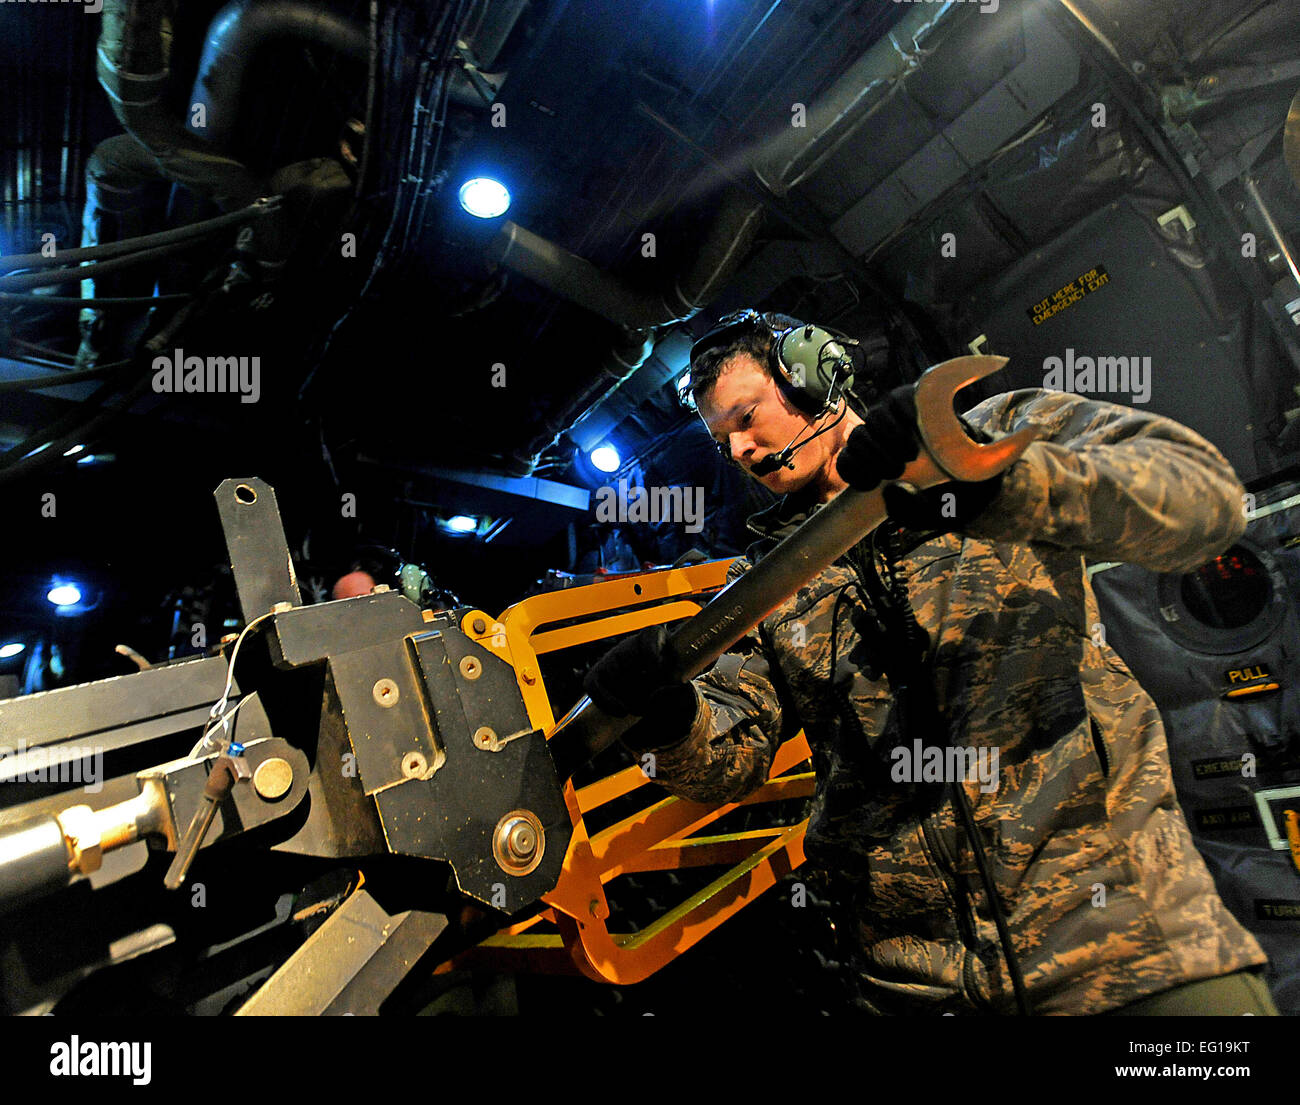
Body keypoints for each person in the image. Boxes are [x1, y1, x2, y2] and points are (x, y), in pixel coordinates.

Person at [582, 309, 1278, 1016]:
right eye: (721, 438)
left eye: (746, 415)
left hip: (1127, 953)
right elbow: (730, 761)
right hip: (921, 988)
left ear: (817, 375)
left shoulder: (991, 433)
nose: (738, 450)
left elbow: (1202, 501)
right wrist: (668, 718)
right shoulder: (770, 580)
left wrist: (994, 485)